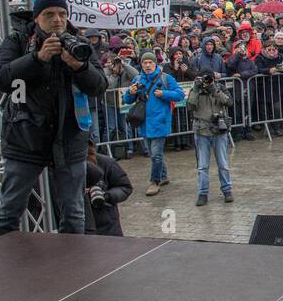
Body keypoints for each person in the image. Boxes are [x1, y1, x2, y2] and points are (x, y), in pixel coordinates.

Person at [0, 0, 109, 236]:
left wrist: (79, 66)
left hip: (69, 139)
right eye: (49, 14)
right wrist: (37, 58)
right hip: (25, 138)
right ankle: (0, 267)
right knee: (10, 210)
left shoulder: (77, 41)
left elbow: (99, 86)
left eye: (63, 14)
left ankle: (72, 269)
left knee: (74, 213)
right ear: (37, 18)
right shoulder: (19, 40)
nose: (57, 19)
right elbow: (0, 78)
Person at [124, 51, 184, 196]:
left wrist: (164, 94)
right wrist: (130, 92)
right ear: (141, 65)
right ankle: (163, 176)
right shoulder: (137, 79)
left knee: (156, 154)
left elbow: (180, 94)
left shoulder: (166, 78)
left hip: (160, 121)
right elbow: (127, 100)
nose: (148, 65)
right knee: (153, 153)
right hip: (144, 122)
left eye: (150, 62)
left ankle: (154, 181)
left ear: (155, 64)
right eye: (145, 63)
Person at [188, 74, 234, 206]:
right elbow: (190, 106)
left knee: (223, 164)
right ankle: (203, 193)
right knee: (203, 166)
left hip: (219, 130)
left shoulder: (220, 88)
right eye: (203, 78)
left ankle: (227, 190)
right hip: (202, 130)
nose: (206, 81)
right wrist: (196, 89)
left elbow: (228, 102)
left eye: (208, 78)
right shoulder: (195, 89)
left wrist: (213, 89)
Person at [84, 139, 132, 236]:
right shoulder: (63, 169)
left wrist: (106, 196)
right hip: (80, 227)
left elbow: (125, 187)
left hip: (107, 226)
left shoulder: (105, 162)